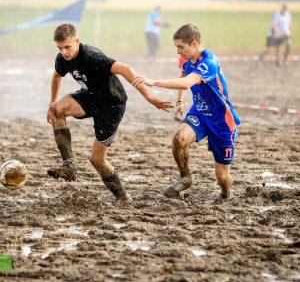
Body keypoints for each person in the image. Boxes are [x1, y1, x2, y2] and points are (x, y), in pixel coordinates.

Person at [47, 23, 173, 201]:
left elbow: (126, 69)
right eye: (60, 48)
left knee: (97, 160)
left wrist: (150, 97)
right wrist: (52, 102)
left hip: (111, 105)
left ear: (77, 41)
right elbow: (56, 76)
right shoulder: (62, 59)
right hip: (90, 97)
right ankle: (69, 166)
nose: (64, 52)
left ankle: (122, 196)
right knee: (55, 110)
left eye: (68, 47)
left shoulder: (92, 57)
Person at [133, 24, 240, 202]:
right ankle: (185, 177)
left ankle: (225, 194)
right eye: (176, 47)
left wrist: (153, 82)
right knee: (178, 138)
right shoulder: (185, 60)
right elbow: (183, 76)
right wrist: (179, 102)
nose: (178, 52)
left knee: (222, 178)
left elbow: (187, 82)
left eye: (181, 47)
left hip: (222, 121)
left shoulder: (209, 62)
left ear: (194, 43)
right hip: (200, 112)